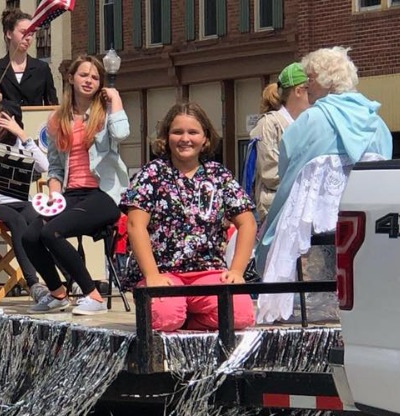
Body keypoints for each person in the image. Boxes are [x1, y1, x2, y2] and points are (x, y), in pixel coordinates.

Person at [256, 46, 392, 323]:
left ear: (325, 80)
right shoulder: (375, 122)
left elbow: (288, 169)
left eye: (310, 78)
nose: (306, 85)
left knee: (311, 280)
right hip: (363, 220)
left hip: (315, 230)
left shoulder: (311, 120)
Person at [121, 101, 257, 332]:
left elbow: (248, 223)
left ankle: (189, 320)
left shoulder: (218, 174)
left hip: (208, 271)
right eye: (177, 132)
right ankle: (175, 314)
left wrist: (236, 272)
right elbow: (135, 225)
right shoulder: (151, 174)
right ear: (166, 137)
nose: (185, 138)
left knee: (241, 315)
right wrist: (152, 275)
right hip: (164, 273)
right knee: (165, 319)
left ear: (205, 138)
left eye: (193, 132)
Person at [22, 55, 130, 316]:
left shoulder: (106, 114)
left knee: (52, 233)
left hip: (103, 194)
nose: (89, 81)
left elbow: (122, 134)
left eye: (95, 77)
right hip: (72, 194)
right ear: (71, 78)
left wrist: (115, 100)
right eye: (84, 75)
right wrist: (54, 194)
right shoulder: (58, 120)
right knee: (30, 236)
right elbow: (56, 167)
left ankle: (92, 294)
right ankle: (58, 293)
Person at [0, 100, 49, 302]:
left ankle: (67, 278)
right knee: (17, 221)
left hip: (20, 199)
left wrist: (22, 134)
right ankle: (33, 283)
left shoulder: (21, 143)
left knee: (41, 220)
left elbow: (44, 165)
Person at [248, 63, 311, 222]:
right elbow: (270, 172)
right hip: (276, 211)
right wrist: (308, 183)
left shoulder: (308, 123)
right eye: (310, 89)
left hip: (303, 208)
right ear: (298, 91)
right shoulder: (269, 124)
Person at [0, 7, 58, 116]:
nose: (28, 38)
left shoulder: (42, 68)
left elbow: (52, 105)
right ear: (9, 33)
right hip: (6, 130)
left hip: (33, 129)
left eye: (31, 34)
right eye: (23, 32)